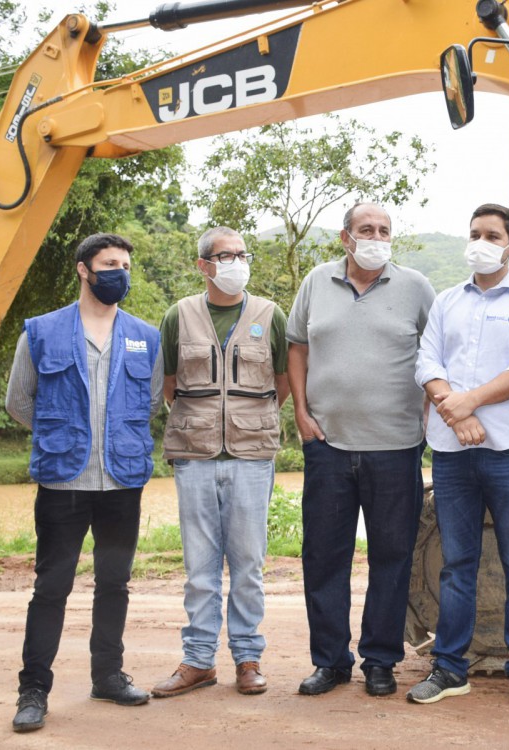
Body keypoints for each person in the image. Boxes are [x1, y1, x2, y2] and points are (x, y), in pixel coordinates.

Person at [5, 232, 162, 733]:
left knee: (114, 583)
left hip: (122, 482)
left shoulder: (145, 335)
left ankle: (108, 676)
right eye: (109, 263)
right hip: (63, 482)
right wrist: (63, 436)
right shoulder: (40, 332)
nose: (119, 271)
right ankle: (33, 692)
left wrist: (109, 438)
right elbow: (19, 402)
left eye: (125, 264)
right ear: (84, 269)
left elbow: (152, 401)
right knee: (51, 587)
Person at [407, 204, 509, 709]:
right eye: (474, 233)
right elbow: (427, 361)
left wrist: (470, 401)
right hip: (452, 454)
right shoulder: (448, 302)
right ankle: (449, 668)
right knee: (456, 565)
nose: (481, 242)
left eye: (492, 235)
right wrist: (457, 413)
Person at [287, 202, 437, 697]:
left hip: (396, 446)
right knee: (324, 556)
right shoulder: (315, 282)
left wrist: (432, 415)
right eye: (366, 229)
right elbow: (297, 348)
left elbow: (437, 352)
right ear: (345, 237)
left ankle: (380, 660)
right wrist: (302, 414)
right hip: (327, 445)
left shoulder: (415, 286)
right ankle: (330, 661)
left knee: (392, 556)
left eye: (384, 230)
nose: (376, 236)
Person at [150, 227, 289, 699]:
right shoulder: (178, 315)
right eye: (225, 255)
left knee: (248, 562)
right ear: (203, 265)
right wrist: (203, 420)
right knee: (200, 566)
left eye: (241, 254)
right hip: (195, 455)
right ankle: (198, 661)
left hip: (252, 456)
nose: (236, 261)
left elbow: (283, 383)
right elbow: (169, 383)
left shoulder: (270, 314)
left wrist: (250, 419)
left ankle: (248, 658)